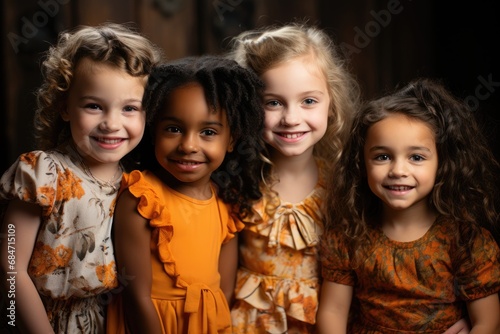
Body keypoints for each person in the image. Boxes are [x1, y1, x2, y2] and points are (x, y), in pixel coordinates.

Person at [0, 23, 162, 333]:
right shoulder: (43, 173)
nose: (111, 123)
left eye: (130, 108)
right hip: (42, 320)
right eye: (94, 106)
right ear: (64, 107)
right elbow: (10, 266)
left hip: (110, 321)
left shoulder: (137, 184)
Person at [317, 77, 500, 333]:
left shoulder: (464, 241)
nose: (398, 170)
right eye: (383, 157)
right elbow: (332, 311)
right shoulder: (349, 236)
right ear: (361, 163)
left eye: (416, 157)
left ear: (442, 163)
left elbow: (488, 322)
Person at [105, 55, 266, 334]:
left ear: (231, 140)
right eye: (174, 129)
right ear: (153, 131)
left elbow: (222, 292)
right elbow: (135, 295)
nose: (188, 145)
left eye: (208, 132)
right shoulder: (142, 198)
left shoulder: (226, 206)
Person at [227, 23, 360, 333]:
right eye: (273, 102)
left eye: (308, 101)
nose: (291, 118)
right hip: (248, 324)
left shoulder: (344, 184)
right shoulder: (239, 181)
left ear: (332, 104)